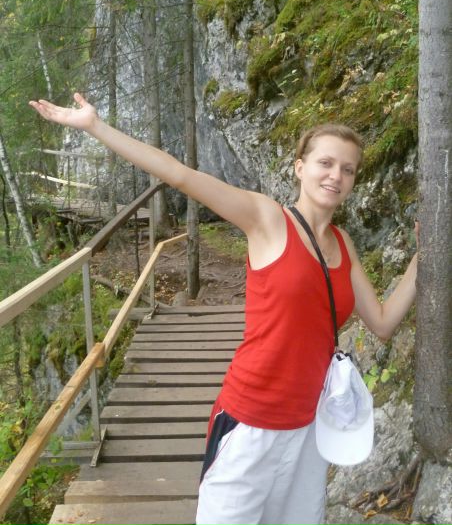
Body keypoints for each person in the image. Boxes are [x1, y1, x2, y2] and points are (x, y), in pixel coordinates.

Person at [29, 93, 418, 525]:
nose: (336, 176)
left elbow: (382, 322)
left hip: (310, 428)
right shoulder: (267, 219)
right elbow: (180, 175)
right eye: (325, 163)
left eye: (348, 169)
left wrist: (425, 256)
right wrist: (95, 126)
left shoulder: (344, 245)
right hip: (250, 422)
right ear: (299, 167)